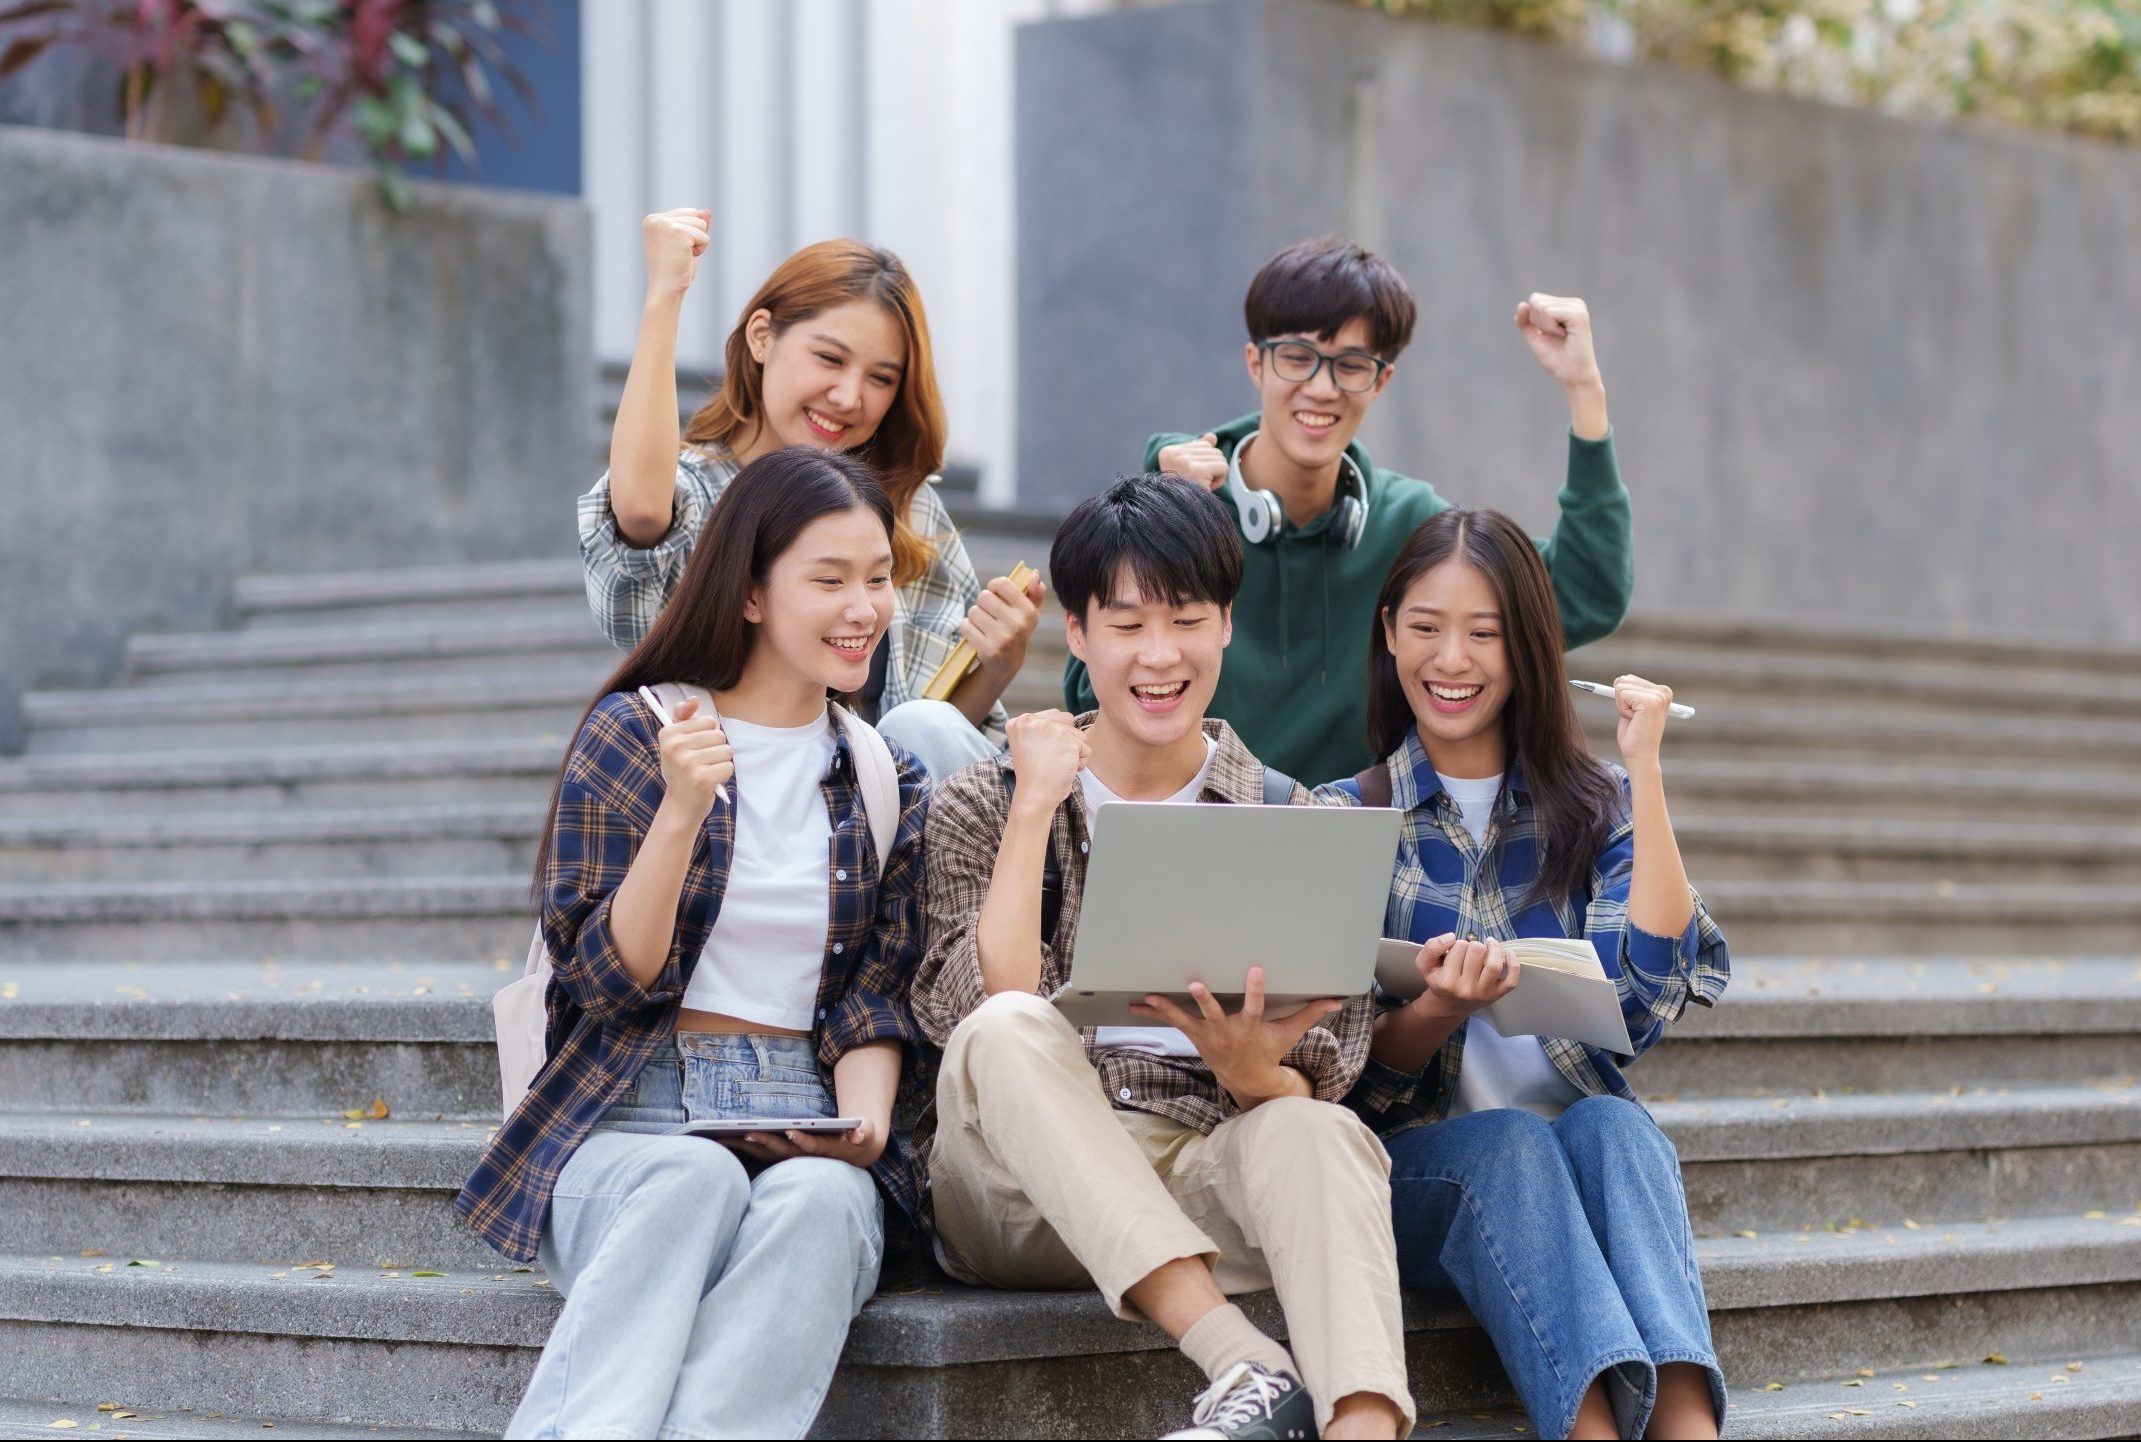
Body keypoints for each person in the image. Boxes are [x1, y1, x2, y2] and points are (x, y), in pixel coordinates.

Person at [913, 473, 1414, 1441]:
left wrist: (1252, 1069)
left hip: (1200, 1170)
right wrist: (1031, 809)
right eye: (1127, 622)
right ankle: (1238, 1358)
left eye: (1185, 619)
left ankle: (1361, 1424)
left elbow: (1334, 1064)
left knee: (1318, 1133)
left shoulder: (1288, 816)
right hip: (1015, 1199)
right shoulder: (983, 799)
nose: (1157, 654)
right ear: (1078, 630)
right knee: (1009, 1024)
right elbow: (979, 1011)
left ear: (1225, 624)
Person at [459, 447, 932, 1439]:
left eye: (878, 578)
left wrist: (865, 1124)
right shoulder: (636, 732)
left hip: (809, 1109)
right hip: (630, 1109)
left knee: (819, 1201)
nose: (864, 607)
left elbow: (875, 994)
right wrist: (680, 811)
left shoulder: (883, 770)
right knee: (691, 1173)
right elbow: (603, 978)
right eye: (830, 578)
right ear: (752, 592)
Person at [1320, 507, 1730, 1441]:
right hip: (1417, 1172)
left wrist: (1643, 772)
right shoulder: (1346, 816)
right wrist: (1431, 1010)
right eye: (1425, 628)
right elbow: (1343, 1078)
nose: (1451, 660)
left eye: (1483, 633)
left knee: (1617, 1129)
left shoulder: (1591, 806)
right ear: (1388, 635)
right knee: (1508, 1145)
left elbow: (1645, 996)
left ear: (1527, 649)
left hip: (1571, 1158)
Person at [1067, 234, 1634, 783]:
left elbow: (1584, 596)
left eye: (1351, 364)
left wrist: (1584, 389)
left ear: (1381, 381)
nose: (1321, 387)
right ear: (1255, 363)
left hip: (1361, 848)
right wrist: (1171, 518)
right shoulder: (1181, 494)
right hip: (1197, 825)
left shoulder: (1407, 523)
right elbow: (1087, 696)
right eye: (1297, 357)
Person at [584, 210, 1044, 781]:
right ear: (761, 337)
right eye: (829, 358)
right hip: (731, 806)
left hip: (881, 834)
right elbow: (642, 513)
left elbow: (922, 744)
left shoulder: (903, 507)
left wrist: (996, 665)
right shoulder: (697, 495)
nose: (849, 396)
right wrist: (665, 296)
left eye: (881, 378)